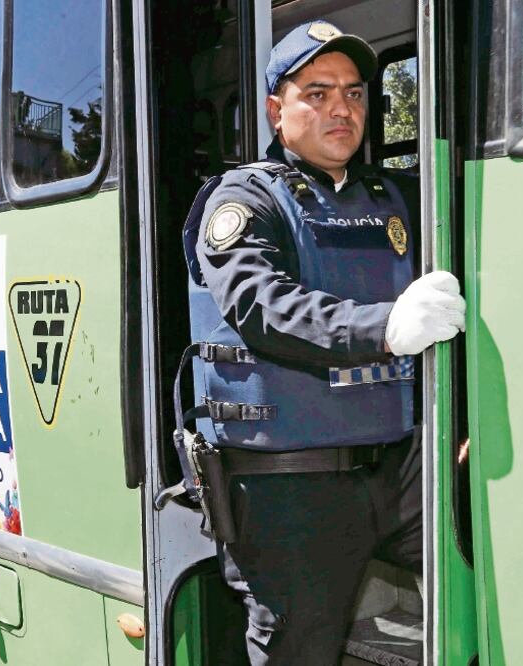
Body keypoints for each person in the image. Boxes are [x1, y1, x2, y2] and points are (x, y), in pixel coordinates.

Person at [180, 19, 465, 665]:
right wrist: (383, 328)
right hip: (291, 489)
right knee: (301, 649)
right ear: (277, 111)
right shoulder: (246, 199)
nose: (341, 107)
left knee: (496, 574)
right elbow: (261, 305)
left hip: (398, 469)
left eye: (356, 93)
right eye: (318, 92)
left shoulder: (390, 197)